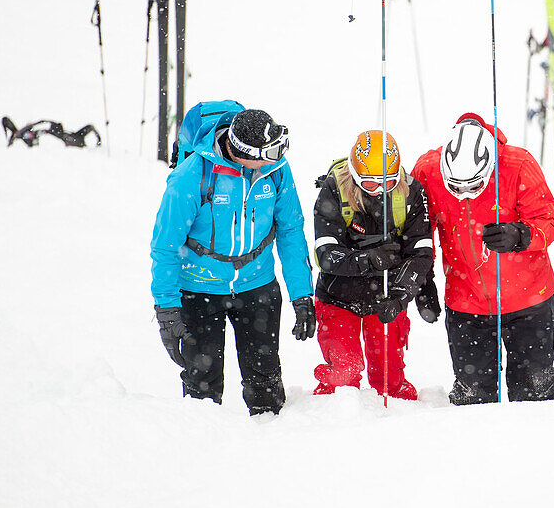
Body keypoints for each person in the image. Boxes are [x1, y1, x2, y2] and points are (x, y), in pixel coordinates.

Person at [149, 108, 316, 416]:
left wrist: (302, 294)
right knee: (202, 388)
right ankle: (204, 453)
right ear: (242, 152)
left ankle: (272, 446)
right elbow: (165, 247)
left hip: (258, 287)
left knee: (265, 381)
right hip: (198, 291)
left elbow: (291, 230)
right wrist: (167, 308)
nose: (277, 157)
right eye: (270, 151)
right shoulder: (190, 176)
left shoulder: (276, 170)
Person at [411, 113, 554, 405]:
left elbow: (549, 222)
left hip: (529, 300)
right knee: (473, 399)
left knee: (534, 397)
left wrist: (521, 235)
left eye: (473, 186)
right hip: (466, 303)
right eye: (456, 187)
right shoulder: (427, 170)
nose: (465, 194)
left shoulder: (519, 165)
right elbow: (420, 232)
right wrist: (424, 282)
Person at [310, 130, 440, 400]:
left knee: (389, 383)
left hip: (386, 295)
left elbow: (422, 251)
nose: (380, 189)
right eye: (370, 184)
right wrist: (366, 260)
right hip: (338, 296)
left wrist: (402, 295)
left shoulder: (411, 192)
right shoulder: (334, 190)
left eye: (389, 182)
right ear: (356, 176)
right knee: (343, 377)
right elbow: (325, 253)